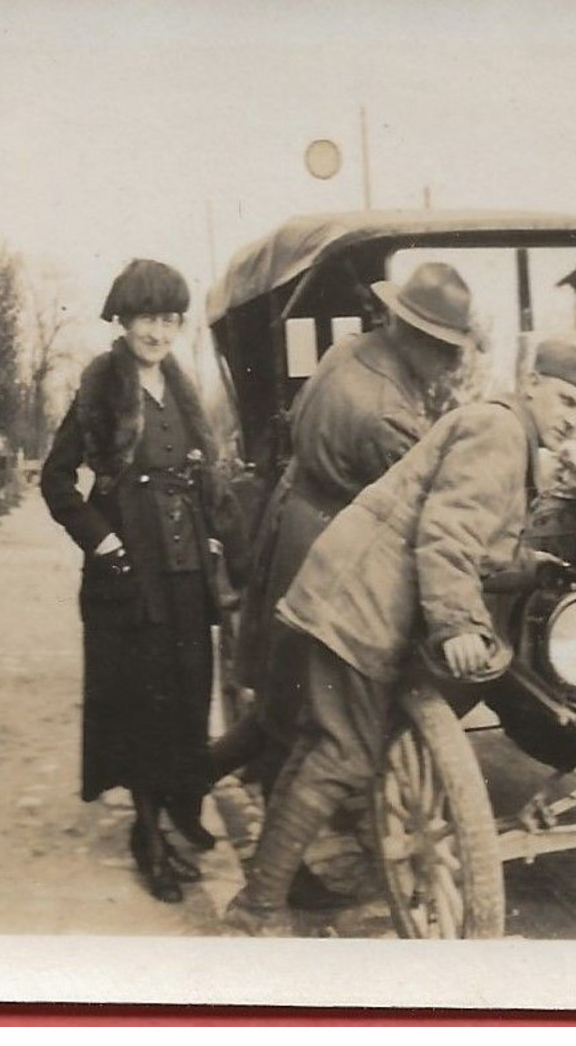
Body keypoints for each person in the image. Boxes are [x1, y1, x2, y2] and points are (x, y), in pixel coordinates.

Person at [225, 338, 576, 934]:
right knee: (344, 755)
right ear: (530, 381)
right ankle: (257, 907)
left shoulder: (503, 431)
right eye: (563, 399)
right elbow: (447, 534)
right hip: (361, 604)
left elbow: (474, 538)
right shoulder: (500, 433)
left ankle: (260, 895)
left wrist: (530, 565)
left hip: (346, 593)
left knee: (321, 749)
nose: (569, 417)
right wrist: (457, 623)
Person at [210, 262, 478, 907]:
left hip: (294, 523)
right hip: (330, 546)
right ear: (414, 334)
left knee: (283, 706)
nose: (447, 364)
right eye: (443, 349)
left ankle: (183, 777)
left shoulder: (352, 350)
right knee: (317, 723)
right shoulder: (388, 414)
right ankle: (277, 879)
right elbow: (425, 502)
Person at [41, 258, 248, 904]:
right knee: (141, 703)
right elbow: (56, 480)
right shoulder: (101, 386)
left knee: (188, 693)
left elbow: (200, 475)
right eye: (145, 318)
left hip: (185, 570)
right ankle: (148, 834)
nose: (157, 332)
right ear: (123, 319)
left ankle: (181, 807)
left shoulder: (183, 388)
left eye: (167, 319)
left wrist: (212, 530)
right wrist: (101, 539)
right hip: (129, 573)